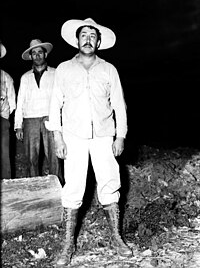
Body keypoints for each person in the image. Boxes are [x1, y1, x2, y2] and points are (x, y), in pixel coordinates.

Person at [45, 18, 135, 266]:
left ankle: (117, 238)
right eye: (83, 35)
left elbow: (119, 105)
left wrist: (120, 135)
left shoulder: (109, 69)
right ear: (77, 40)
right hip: (73, 136)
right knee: (73, 187)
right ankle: (67, 244)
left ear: (98, 41)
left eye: (92, 36)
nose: (88, 39)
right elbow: (55, 104)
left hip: (104, 135)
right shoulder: (63, 69)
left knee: (109, 183)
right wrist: (57, 137)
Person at [14, 39, 63, 184]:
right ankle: (34, 189)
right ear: (31, 57)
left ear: (45, 54)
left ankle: (58, 190)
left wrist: (61, 119)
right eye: (34, 53)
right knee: (31, 159)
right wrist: (18, 125)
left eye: (40, 52)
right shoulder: (25, 77)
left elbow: (62, 97)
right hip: (30, 119)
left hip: (51, 118)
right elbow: (20, 102)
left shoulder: (56, 73)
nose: (37, 56)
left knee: (54, 157)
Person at [0, 42, 16, 179]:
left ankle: (6, 183)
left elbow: (12, 102)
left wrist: (4, 119)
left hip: (2, 120)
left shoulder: (6, 77)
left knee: (4, 155)